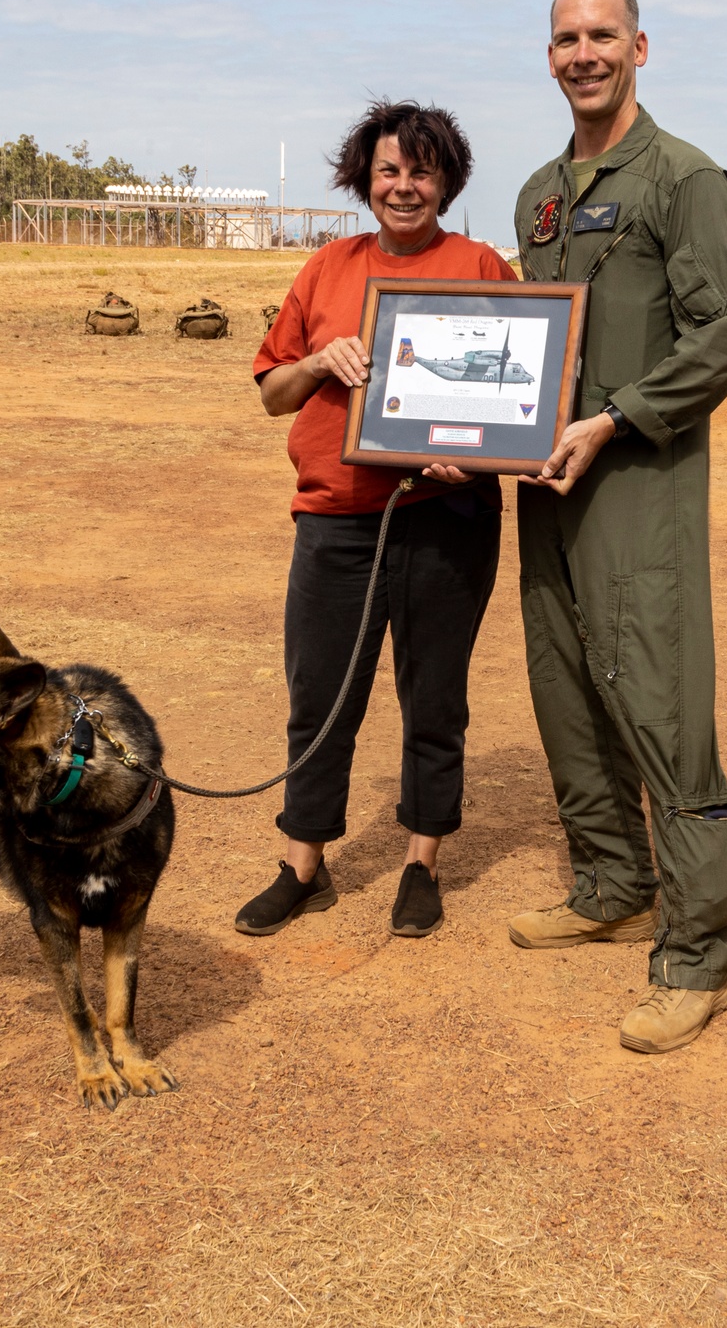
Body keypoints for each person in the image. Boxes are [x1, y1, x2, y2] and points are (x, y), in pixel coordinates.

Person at [507, 0, 727, 1053]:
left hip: (637, 483)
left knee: (655, 697)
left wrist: (613, 420)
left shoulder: (685, 178)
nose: (583, 52)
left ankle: (698, 951)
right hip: (547, 486)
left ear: (639, 47)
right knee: (563, 684)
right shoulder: (538, 197)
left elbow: (722, 336)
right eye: (565, 38)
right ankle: (609, 882)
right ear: (547, 55)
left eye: (602, 34)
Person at [234, 100, 516, 939]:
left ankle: (421, 862)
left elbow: (516, 399)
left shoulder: (481, 267)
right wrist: (320, 359)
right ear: (365, 178)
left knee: (435, 697)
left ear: (447, 181)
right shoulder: (326, 269)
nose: (404, 186)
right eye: (389, 170)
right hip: (337, 520)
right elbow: (270, 391)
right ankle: (303, 864)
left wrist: (476, 455)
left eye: (422, 171)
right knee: (319, 695)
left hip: (446, 516)